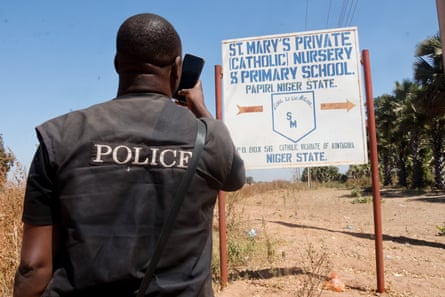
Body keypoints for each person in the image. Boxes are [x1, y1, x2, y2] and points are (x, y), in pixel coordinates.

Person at [13, 13, 245, 297]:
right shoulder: (209, 136)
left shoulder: (59, 136)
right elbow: (235, 178)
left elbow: (32, 267)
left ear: (116, 64)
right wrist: (199, 108)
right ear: (177, 68)